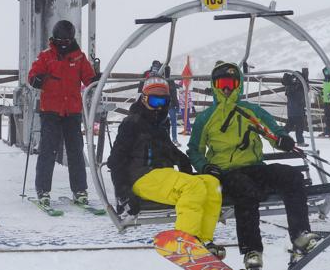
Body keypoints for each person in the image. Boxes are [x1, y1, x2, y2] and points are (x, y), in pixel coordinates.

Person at [187, 61, 320, 269]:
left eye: (231, 83)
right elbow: (194, 149)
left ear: (238, 84)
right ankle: (252, 250)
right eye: (222, 83)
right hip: (226, 173)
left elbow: (273, 130)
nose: (227, 88)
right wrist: (204, 166)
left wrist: (283, 139)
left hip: (255, 167)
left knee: (291, 176)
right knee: (244, 189)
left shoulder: (250, 111)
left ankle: (300, 235)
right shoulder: (206, 118)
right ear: (215, 85)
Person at [107, 75, 225, 259]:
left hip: (163, 175)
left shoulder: (160, 124)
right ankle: (185, 241)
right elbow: (116, 160)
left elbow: (168, 149)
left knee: (210, 183)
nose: (159, 106)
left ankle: (203, 240)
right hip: (141, 177)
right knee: (193, 187)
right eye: (154, 100)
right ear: (144, 98)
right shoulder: (132, 123)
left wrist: (186, 165)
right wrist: (123, 193)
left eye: (164, 101)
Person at [28, 20, 98, 206]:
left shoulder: (79, 57)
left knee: (75, 151)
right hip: (50, 111)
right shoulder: (46, 56)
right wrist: (36, 79)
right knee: (48, 151)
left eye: (67, 40)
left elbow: (89, 79)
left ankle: (80, 190)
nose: (64, 43)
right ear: (55, 38)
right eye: (61, 40)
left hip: (72, 112)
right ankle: (43, 190)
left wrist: (96, 79)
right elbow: (32, 76)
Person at [282, 72, 307, 147]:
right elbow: (302, 94)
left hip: (291, 111)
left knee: (289, 126)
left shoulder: (289, 87)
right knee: (299, 127)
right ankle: (300, 142)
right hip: (298, 111)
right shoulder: (297, 87)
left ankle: (279, 135)